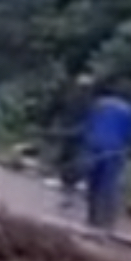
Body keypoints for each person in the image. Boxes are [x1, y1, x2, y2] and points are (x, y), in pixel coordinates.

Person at [81, 80, 131, 230]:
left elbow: (89, 125)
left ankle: (92, 218)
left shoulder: (99, 104)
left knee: (93, 182)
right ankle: (106, 222)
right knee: (108, 185)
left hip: (94, 146)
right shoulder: (130, 110)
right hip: (114, 151)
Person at [48, 74, 95, 210]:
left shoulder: (76, 98)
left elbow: (56, 109)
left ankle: (69, 192)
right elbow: (57, 109)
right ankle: (70, 191)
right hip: (76, 135)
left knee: (70, 162)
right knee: (69, 161)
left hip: (74, 134)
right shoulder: (88, 101)